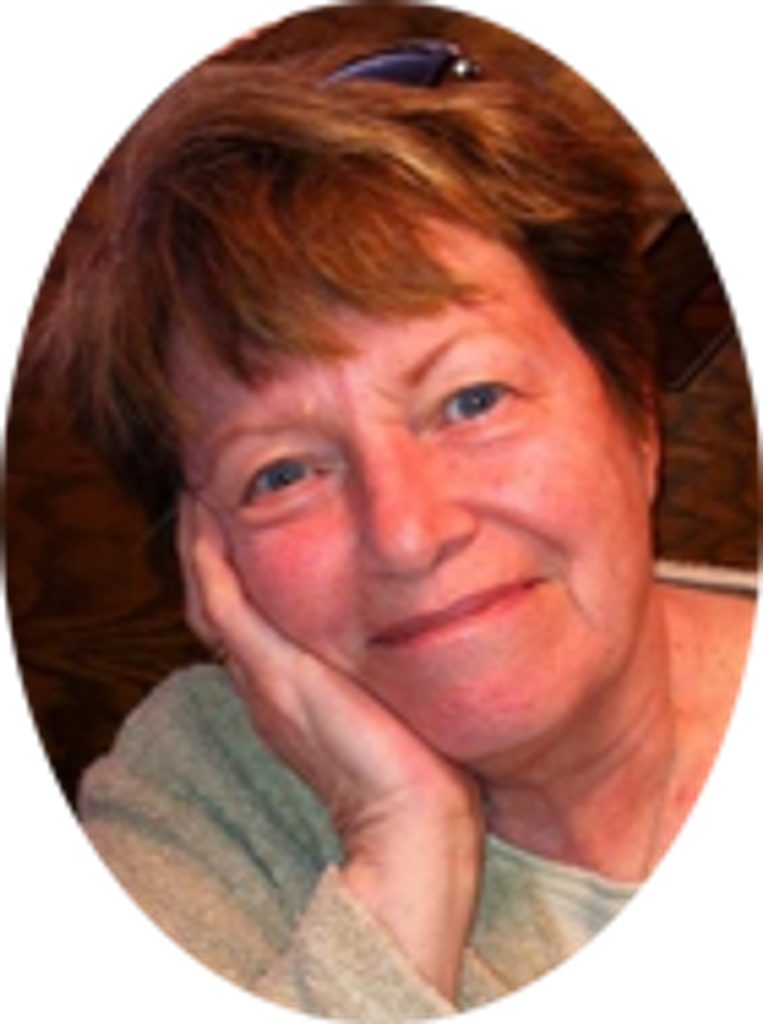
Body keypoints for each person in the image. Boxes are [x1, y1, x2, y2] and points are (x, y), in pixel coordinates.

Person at [19, 8, 760, 1021]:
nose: (408, 534)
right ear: (207, 554)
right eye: (283, 473)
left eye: (472, 400)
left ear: (633, 410)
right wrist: (402, 849)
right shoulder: (196, 804)